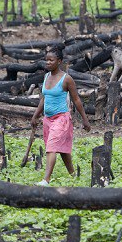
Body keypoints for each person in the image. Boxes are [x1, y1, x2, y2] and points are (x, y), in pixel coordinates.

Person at [30, 46, 91, 185]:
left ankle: (46, 180)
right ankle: (73, 174)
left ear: (59, 61)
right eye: (47, 60)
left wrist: (85, 120)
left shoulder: (66, 79)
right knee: (62, 150)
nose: (48, 63)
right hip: (48, 119)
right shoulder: (46, 77)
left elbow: (76, 100)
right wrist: (35, 116)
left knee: (51, 147)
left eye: (51, 60)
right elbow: (44, 99)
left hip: (61, 119)